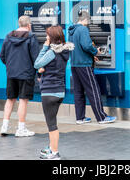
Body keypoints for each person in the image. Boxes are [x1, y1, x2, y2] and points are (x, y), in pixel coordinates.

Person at [68, 10, 117, 125]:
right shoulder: (83, 29)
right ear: (85, 19)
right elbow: (86, 45)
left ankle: (80, 118)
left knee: (78, 91)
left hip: (75, 64)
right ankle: (101, 117)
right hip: (84, 65)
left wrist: (91, 55)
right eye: (88, 21)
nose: (88, 23)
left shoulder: (72, 31)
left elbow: (77, 48)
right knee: (93, 90)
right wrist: (95, 52)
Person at [34, 25, 74, 160]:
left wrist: (45, 46)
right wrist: (44, 69)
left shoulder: (52, 52)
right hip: (59, 91)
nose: (46, 37)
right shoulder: (65, 52)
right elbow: (53, 67)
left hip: (49, 92)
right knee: (53, 122)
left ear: (51, 37)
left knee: (52, 125)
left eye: (47, 35)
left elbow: (37, 63)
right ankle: (51, 148)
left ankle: (55, 153)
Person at [0, 15, 40, 137]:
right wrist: (39, 73)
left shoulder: (8, 36)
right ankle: (21, 128)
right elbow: (36, 58)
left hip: (11, 73)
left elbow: (2, 55)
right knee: (23, 100)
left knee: (10, 99)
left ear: (19, 24)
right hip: (26, 74)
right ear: (29, 26)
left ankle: (4, 126)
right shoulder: (31, 37)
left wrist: (11, 66)